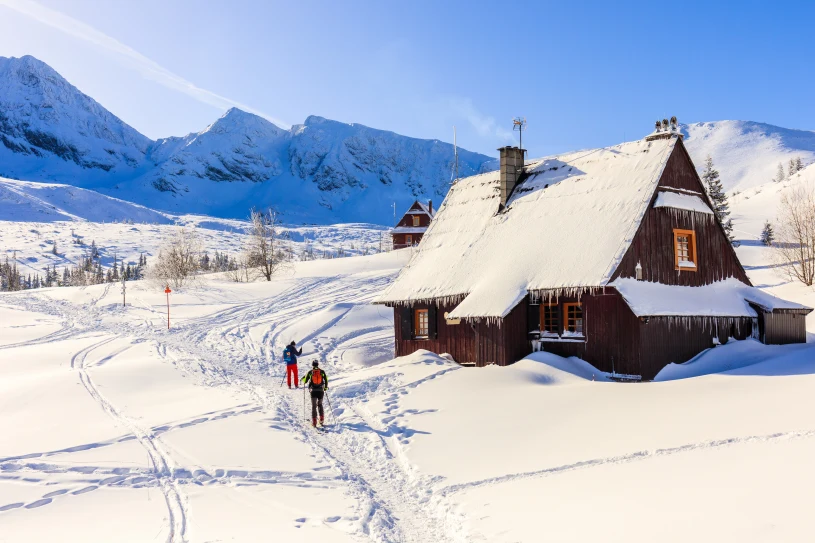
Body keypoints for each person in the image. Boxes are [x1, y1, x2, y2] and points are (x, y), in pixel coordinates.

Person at [301, 360, 329, 427]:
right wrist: (325, 388)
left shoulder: (310, 372)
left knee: (314, 406)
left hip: (313, 391)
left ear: (312, 365)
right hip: (321, 391)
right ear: (318, 364)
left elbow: (305, 381)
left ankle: (314, 422)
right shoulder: (322, 372)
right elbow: (326, 380)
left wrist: (303, 378)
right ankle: (321, 419)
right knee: (320, 404)